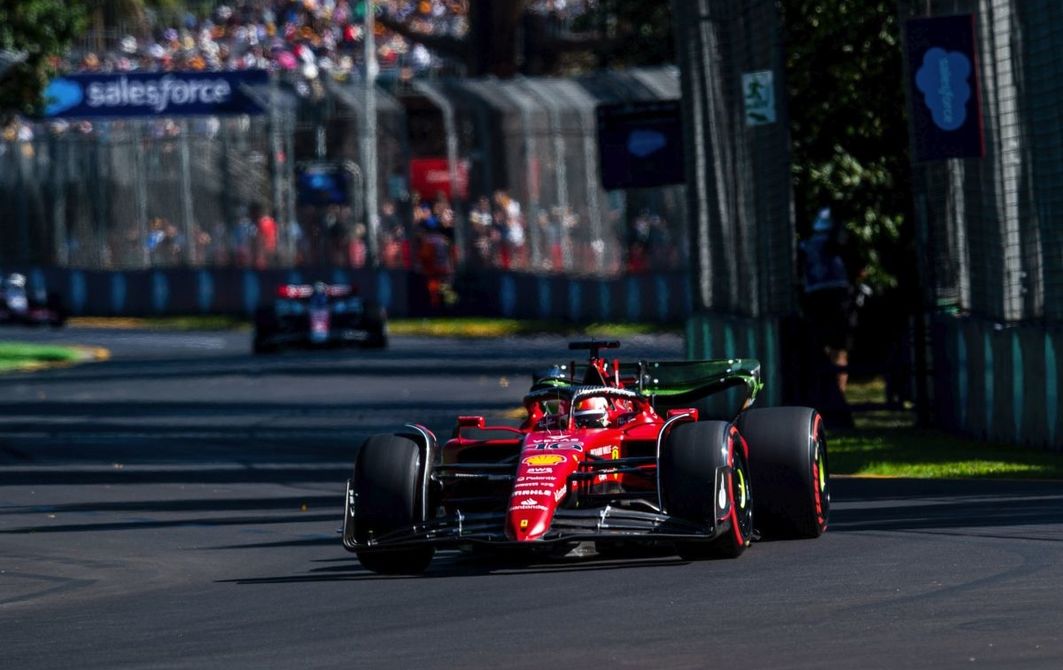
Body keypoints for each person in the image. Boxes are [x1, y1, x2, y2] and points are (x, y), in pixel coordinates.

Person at [799, 207, 854, 394]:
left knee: (823, 346)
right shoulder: (836, 244)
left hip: (815, 297)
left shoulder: (806, 245)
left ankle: (829, 392)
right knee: (839, 347)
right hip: (835, 296)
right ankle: (838, 391)